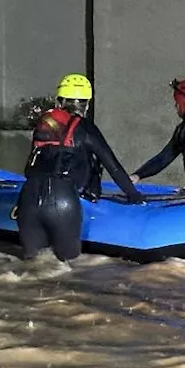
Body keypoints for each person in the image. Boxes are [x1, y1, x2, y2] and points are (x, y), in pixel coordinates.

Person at [16, 73, 144, 262]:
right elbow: (113, 167)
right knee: (68, 271)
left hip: (28, 199)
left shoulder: (44, 125)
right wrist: (135, 197)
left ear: (59, 102)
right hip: (63, 201)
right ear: (87, 105)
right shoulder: (85, 128)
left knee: (34, 266)